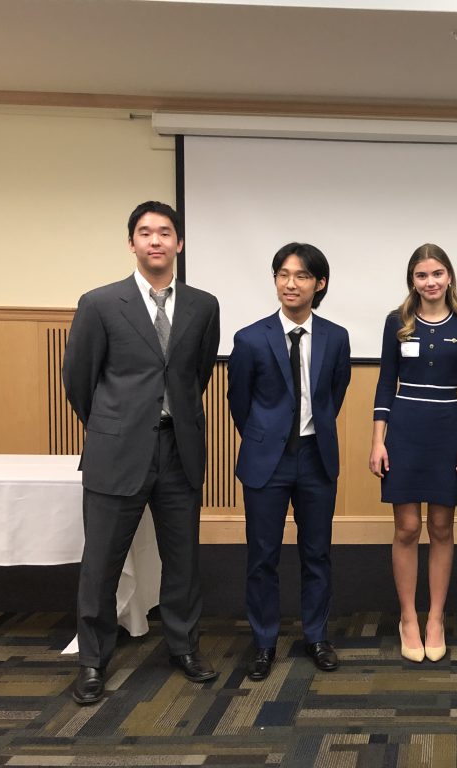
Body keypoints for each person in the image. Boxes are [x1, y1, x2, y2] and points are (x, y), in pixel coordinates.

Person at [62, 201, 221, 705]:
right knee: (102, 563)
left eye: (165, 232)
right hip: (117, 451)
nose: (155, 240)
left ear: (179, 244)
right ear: (131, 243)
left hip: (179, 449)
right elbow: (79, 381)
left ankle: (183, 646)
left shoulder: (203, 305)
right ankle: (92, 661)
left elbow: (197, 375)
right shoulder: (100, 303)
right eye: (145, 233)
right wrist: (115, 426)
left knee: (183, 560)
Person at [227, 243, 351, 681]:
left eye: (300, 276)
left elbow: (334, 395)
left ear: (319, 284)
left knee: (317, 553)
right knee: (263, 555)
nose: (290, 283)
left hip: (317, 458)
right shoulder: (250, 338)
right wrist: (267, 436)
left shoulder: (336, 337)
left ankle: (316, 634)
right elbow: (239, 402)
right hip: (267, 461)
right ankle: (263, 642)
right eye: (282, 274)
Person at [369, 244, 457, 663]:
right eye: (421, 275)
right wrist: (378, 440)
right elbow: (385, 384)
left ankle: (435, 618)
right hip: (404, 429)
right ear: (411, 281)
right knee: (407, 528)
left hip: (448, 430)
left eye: (437, 273)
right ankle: (408, 619)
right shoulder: (396, 322)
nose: (430, 282)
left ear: (449, 276)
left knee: (441, 526)